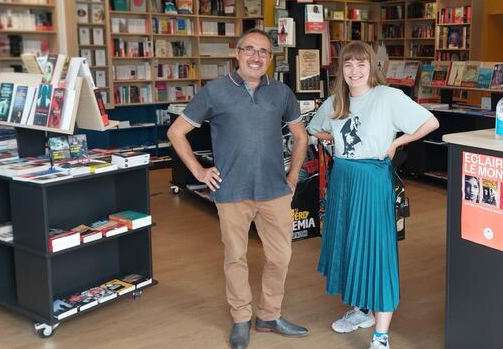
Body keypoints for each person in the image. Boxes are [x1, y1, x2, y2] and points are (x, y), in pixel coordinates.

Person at [167, 29, 309, 349]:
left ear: (270, 58)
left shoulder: (281, 93)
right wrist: (199, 171)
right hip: (232, 191)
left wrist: (293, 177)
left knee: (280, 257)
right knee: (235, 258)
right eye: (250, 50)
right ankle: (242, 318)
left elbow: (301, 136)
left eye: (263, 52)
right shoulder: (215, 91)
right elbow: (176, 132)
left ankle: (269, 315)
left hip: (275, 191)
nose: (256, 57)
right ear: (237, 53)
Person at [307, 41, 439, 349]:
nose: (354, 71)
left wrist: (395, 143)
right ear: (341, 69)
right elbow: (314, 129)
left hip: (372, 178)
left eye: (361, 64)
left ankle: (381, 335)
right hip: (343, 178)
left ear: (372, 67)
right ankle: (361, 310)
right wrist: (335, 138)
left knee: (376, 250)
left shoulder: (387, 97)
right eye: (348, 64)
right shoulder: (336, 101)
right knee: (349, 244)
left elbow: (430, 122)